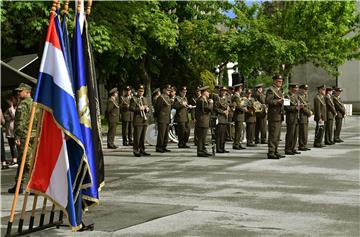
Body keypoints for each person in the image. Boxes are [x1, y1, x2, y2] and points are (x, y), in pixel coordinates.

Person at [8, 83, 36, 193]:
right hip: (34, 136)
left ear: (27, 92)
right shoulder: (35, 103)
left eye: (21, 91)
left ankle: (34, 186)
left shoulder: (23, 105)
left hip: (25, 136)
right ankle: (19, 185)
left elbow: (20, 122)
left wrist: (18, 136)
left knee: (27, 161)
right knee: (23, 161)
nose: (18, 93)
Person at [265, 75, 285, 159]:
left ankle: (276, 151)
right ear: (274, 81)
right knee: (273, 135)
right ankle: (271, 152)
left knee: (277, 135)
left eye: (281, 81)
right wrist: (278, 101)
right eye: (278, 81)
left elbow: (284, 102)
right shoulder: (271, 90)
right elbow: (268, 101)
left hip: (279, 115)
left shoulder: (280, 91)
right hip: (273, 115)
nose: (280, 83)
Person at [130, 85, 151, 157]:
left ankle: (142, 149)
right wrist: (139, 109)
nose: (141, 93)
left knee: (143, 136)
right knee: (137, 136)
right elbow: (131, 108)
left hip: (144, 119)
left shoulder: (145, 99)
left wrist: (147, 109)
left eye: (142, 91)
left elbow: (147, 107)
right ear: (137, 91)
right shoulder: (134, 98)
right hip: (138, 119)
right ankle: (136, 150)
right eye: (140, 91)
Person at [195, 86, 213, 157]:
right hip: (202, 121)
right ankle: (200, 151)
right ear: (204, 92)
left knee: (203, 137)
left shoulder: (204, 99)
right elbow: (207, 109)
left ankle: (203, 149)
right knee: (201, 137)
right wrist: (211, 103)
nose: (208, 93)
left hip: (204, 121)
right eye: (207, 92)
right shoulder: (201, 100)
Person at [284, 83, 301, 155]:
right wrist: (295, 108)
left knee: (295, 134)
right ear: (290, 88)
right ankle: (288, 149)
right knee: (290, 134)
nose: (296, 90)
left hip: (296, 117)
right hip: (290, 117)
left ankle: (293, 148)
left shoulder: (296, 96)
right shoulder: (287, 96)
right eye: (294, 88)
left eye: (296, 88)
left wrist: (300, 106)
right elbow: (286, 107)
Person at [154, 85, 172, 153]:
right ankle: (159, 147)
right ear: (164, 90)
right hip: (162, 118)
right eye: (167, 90)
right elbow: (157, 108)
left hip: (167, 118)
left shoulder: (167, 97)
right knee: (161, 134)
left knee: (165, 134)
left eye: (169, 90)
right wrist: (158, 117)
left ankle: (164, 146)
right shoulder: (161, 98)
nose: (169, 91)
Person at [214, 86, 230, 153]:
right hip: (220, 118)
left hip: (225, 118)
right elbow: (215, 108)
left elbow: (227, 106)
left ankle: (222, 147)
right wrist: (223, 112)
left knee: (224, 135)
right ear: (220, 91)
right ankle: (218, 148)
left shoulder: (226, 98)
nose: (224, 92)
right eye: (223, 91)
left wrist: (228, 110)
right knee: (219, 134)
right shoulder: (218, 98)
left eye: (225, 91)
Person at [232, 84, 247, 150]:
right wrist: (244, 109)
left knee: (239, 130)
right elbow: (238, 106)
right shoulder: (236, 96)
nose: (241, 90)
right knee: (238, 131)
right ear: (238, 89)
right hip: (238, 115)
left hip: (240, 115)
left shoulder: (238, 96)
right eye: (241, 88)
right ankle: (236, 144)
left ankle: (238, 143)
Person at [4, 95, 18, 165]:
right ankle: (14, 159)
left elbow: (13, 116)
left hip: (13, 129)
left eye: (10, 101)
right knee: (11, 145)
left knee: (14, 145)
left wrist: (11, 107)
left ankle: (16, 160)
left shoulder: (13, 108)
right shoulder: (9, 109)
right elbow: (5, 117)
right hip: (9, 130)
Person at [298, 84, 312, 151]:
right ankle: (301, 145)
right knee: (302, 132)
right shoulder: (299, 97)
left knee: (305, 132)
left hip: (305, 116)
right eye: (304, 89)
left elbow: (307, 106)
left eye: (306, 89)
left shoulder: (305, 97)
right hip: (302, 116)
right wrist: (309, 113)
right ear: (300, 89)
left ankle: (304, 144)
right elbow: (302, 108)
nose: (306, 91)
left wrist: (310, 111)